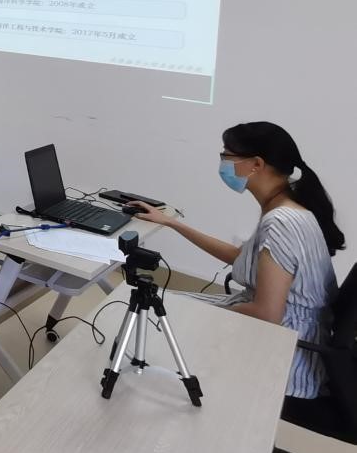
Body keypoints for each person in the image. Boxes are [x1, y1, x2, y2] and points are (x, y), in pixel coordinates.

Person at [129, 122, 344, 400]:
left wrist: (201, 317)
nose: (223, 163)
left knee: (161, 320)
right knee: (164, 310)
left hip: (286, 354)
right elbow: (240, 257)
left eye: (227, 156)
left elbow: (267, 314)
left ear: (256, 164)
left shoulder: (281, 223)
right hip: (283, 330)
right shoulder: (285, 206)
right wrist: (171, 223)